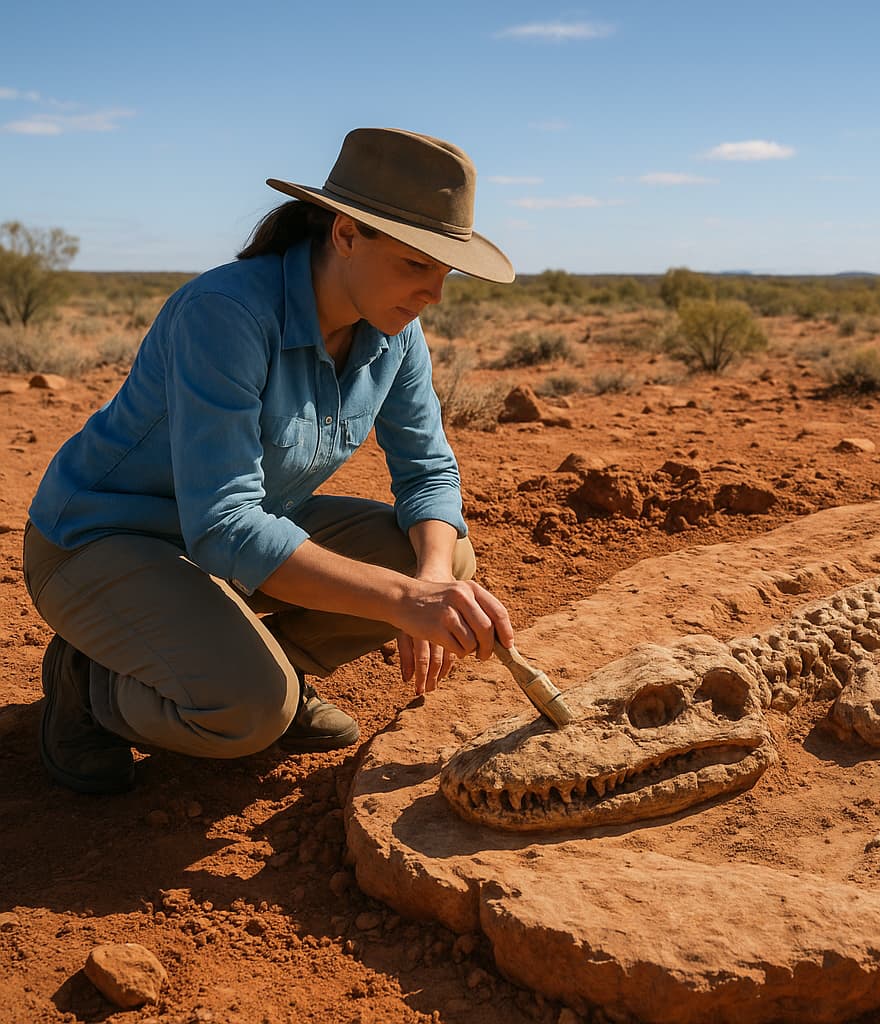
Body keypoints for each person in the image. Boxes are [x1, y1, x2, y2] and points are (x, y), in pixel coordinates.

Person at [23, 127, 518, 794]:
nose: (434, 292)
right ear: (346, 234)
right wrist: (407, 601)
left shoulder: (394, 331)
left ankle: (271, 666)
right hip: (102, 540)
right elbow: (224, 524)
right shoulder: (226, 313)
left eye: (443, 272)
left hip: (230, 541)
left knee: (446, 558)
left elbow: (428, 471)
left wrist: (428, 581)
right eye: (415, 265)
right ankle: (91, 686)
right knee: (250, 711)